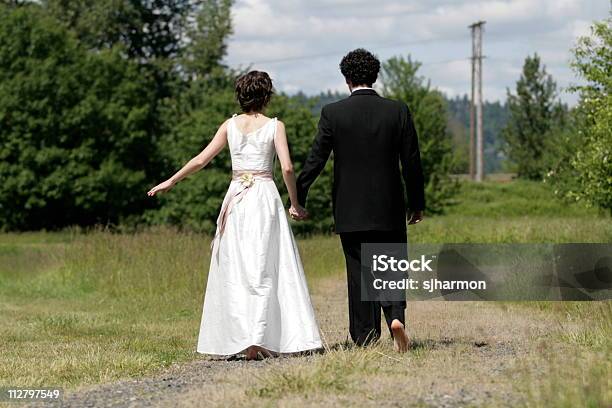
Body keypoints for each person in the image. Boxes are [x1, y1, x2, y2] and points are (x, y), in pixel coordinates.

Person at [147, 71, 322, 360]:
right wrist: (295, 203)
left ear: (240, 96)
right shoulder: (275, 126)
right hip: (264, 196)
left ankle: (243, 339)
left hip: (237, 198)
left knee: (238, 266)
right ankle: (262, 339)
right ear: (267, 96)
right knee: (265, 266)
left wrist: (172, 180)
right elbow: (288, 168)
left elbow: (201, 159)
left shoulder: (229, 125)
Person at [295, 48, 425, 353]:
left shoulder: (333, 113)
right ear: (375, 77)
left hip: (349, 208)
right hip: (389, 206)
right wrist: (416, 203)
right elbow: (412, 161)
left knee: (358, 271)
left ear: (346, 78)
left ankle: (366, 337)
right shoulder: (398, 110)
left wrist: (298, 197)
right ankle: (395, 316)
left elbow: (316, 159)